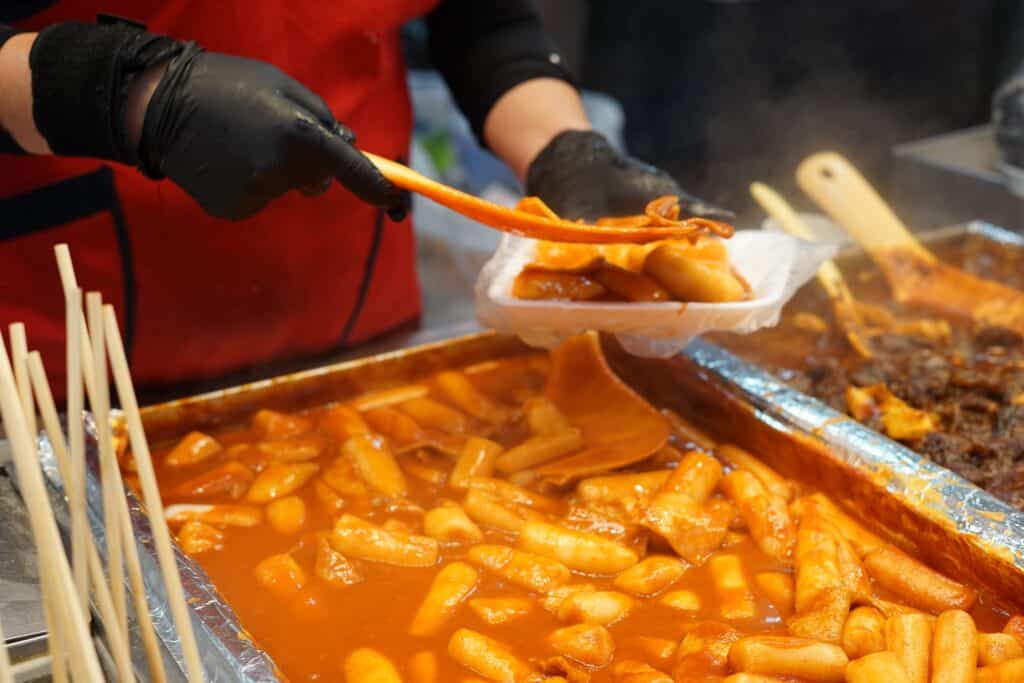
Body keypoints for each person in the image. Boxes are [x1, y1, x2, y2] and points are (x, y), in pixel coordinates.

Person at [0, 1, 710, 392]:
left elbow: (478, 19)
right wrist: (135, 97)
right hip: (78, 365)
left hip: (357, 325)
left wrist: (563, 146)